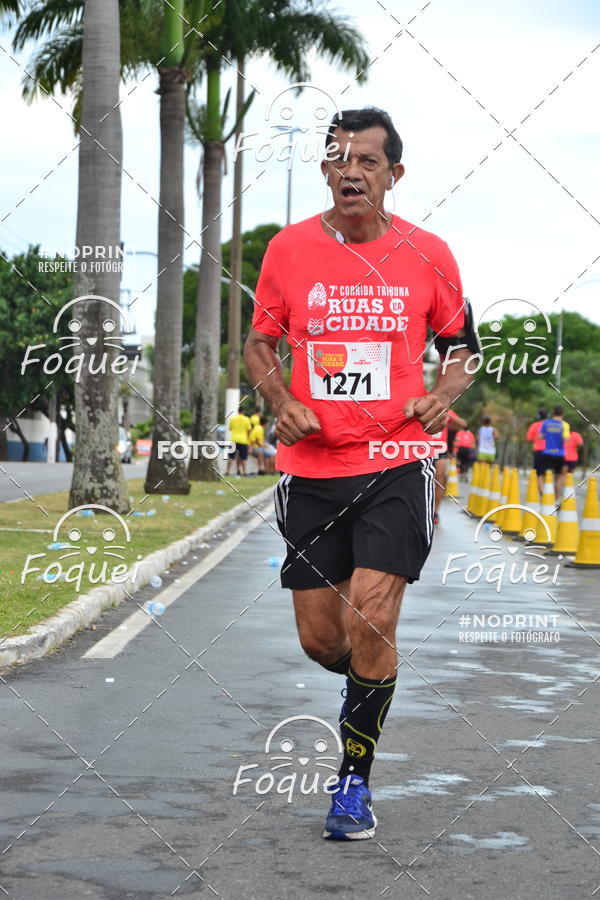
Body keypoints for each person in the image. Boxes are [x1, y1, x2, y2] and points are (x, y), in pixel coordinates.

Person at [244, 106, 477, 841]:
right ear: (325, 170)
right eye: (339, 159)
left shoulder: (430, 254)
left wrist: (443, 395)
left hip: (398, 462)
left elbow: (462, 347)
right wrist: (281, 400)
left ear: (393, 174)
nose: (352, 172)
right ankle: (368, 679)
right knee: (325, 639)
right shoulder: (288, 249)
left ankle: (353, 781)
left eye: (367, 161)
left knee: (371, 615)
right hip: (313, 468)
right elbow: (259, 343)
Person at [434, 409, 467, 524]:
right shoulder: (422, 405)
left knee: (439, 480)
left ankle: (435, 512)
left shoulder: (446, 411)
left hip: (440, 449)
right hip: (421, 448)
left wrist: (447, 414)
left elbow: (463, 424)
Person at [539, 405, 570, 498]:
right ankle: (556, 498)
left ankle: (544, 495)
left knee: (543, 475)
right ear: (563, 414)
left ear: (553, 413)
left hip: (547, 453)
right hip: (559, 454)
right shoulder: (565, 425)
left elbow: (540, 436)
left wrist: (548, 436)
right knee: (559, 477)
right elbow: (566, 439)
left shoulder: (546, 423)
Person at [526, 407, 548, 493]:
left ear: (538, 416)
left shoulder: (534, 426)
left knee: (539, 473)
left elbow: (528, 439)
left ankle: (542, 491)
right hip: (551, 451)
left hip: (539, 451)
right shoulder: (551, 425)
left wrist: (536, 439)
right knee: (548, 472)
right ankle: (547, 490)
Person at [226, 408, 252, 476]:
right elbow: (249, 430)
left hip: (234, 439)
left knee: (231, 456)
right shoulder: (246, 419)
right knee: (243, 457)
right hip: (243, 440)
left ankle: (227, 471)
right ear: (243, 411)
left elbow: (230, 428)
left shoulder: (233, 419)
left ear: (238, 411)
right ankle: (245, 472)